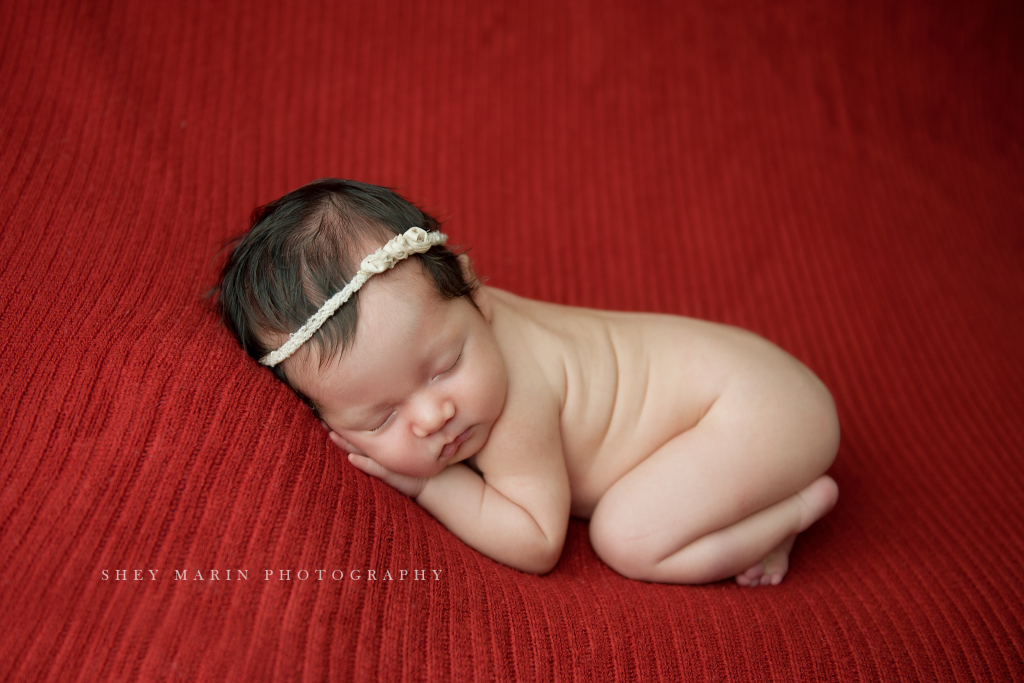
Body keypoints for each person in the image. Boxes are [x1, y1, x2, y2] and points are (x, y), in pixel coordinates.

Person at [216, 178, 840, 586]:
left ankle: (792, 508)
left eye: (444, 369)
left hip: (754, 410)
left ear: (474, 293)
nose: (434, 415)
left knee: (630, 538)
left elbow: (538, 539)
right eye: (379, 419)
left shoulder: (515, 401)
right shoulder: (443, 318)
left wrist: (425, 484)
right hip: (750, 385)